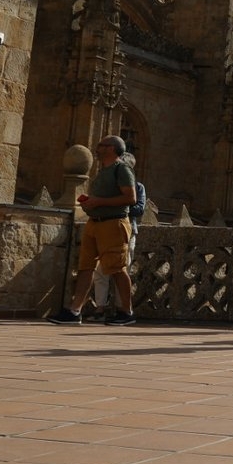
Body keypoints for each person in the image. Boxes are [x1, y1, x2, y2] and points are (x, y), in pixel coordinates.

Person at [48, 135, 138, 326]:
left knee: (117, 268)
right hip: (94, 223)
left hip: (113, 224)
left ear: (111, 149)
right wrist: (90, 203)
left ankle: (126, 312)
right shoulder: (103, 170)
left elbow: (130, 198)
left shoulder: (122, 169)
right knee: (85, 267)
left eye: (101, 145)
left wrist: (99, 202)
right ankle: (75, 311)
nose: (97, 148)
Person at [89, 152, 145, 321]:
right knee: (101, 270)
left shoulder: (138, 187)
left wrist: (117, 205)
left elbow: (139, 208)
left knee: (122, 269)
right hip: (105, 229)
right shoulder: (108, 187)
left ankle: (123, 311)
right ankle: (100, 308)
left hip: (126, 231)